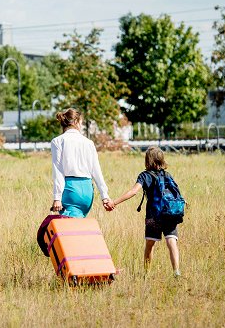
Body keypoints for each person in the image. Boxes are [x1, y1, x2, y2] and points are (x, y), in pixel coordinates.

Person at [110, 146, 181, 277]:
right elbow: (176, 192)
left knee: (150, 244)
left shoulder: (145, 175)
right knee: (171, 242)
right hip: (170, 214)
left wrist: (114, 202)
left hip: (154, 215)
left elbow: (133, 191)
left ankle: (146, 274)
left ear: (148, 160)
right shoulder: (167, 174)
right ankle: (176, 272)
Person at [50, 108, 114, 217]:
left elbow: (58, 171)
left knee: (70, 229)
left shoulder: (58, 141)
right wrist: (105, 196)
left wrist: (57, 198)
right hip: (87, 191)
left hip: (71, 190)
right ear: (76, 122)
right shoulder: (88, 142)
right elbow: (96, 170)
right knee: (79, 226)